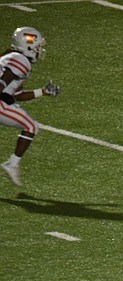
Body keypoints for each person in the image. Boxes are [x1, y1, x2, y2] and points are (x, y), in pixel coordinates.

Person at [1, 27, 60, 187]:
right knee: (31, 126)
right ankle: (12, 164)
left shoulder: (11, 57)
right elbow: (3, 82)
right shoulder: (22, 60)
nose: (39, 50)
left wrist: (43, 91)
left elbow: (17, 94)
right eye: (37, 46)